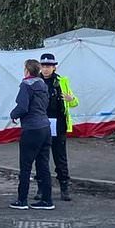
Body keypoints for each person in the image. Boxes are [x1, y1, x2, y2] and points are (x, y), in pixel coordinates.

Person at [9, 59, 54, 210]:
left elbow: (22, 107)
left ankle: (22, 200)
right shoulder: (42, 84)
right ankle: (47, 200)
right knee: (43, 165)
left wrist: (13, 114)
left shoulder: (26, 85)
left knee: (26, 165)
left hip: (31, 128)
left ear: (27, 70)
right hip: (45, 127)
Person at [35, 53, 79, 201]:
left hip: (58, 123)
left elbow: (74, 102)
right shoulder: (35, 81)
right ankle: (41, 188)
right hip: (40, 123)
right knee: (41, 157)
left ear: (55, 67)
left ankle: (64, 187)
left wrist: (71, 99)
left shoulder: (62, 81)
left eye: (49, 66)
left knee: (60, 157)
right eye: (43, 66)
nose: (46, 69)